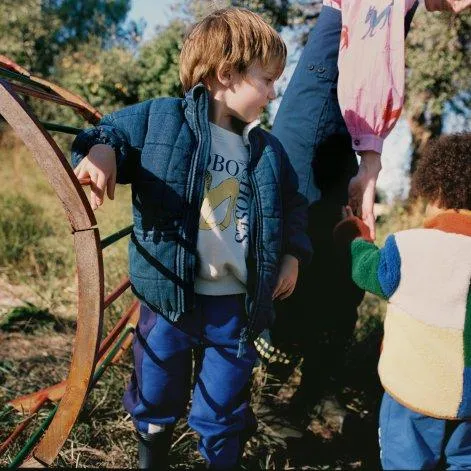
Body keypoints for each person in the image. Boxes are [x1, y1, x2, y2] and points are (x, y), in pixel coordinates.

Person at [71, 7, 311, 470]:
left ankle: (220, 457)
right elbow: (108, 133)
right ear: (226, 74)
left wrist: (293, 255)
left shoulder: (268, 150)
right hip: (169, 301)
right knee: (156, 387)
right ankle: (152, 455)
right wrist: (101, 152)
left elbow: (292, 206)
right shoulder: (161, 120)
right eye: (267, 79)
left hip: (235, 306)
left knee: (223, 406)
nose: (273, 92)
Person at [268, 0, 471, 425]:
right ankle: (272, 389)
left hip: (340, 124)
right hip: (321, 124)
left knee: (343, 245)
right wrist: (371, 162)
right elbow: (367, 66)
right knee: (305, 247)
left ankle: (314, 388)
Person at [334, 132, 471, 469]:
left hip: (413, 386)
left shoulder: (407, 246)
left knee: (404, 461)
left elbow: (370, 272)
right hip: (467, 399)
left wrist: (358, 237)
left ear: (435, 191)